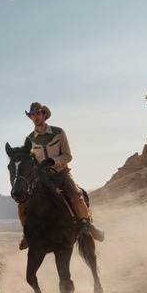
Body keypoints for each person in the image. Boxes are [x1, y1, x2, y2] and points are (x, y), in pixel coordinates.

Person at [20, 102, 104, 250]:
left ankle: (88, 225)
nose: (35, 116)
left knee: (76, 195)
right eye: (32, 114)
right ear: (31, 117)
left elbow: (68, 155)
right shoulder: (29, 139)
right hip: (42, 178)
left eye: (38, 113)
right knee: (23, 204)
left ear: (44, 115)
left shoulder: (58, 132)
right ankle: (27, 234)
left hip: (62, 172)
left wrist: (54, 161)